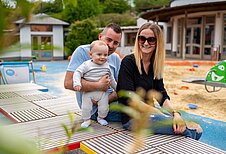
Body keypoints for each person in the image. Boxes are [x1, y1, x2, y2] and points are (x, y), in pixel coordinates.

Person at [116, 23, 202, 140]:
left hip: (151, 114)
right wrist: (160, 114)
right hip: (133, 118)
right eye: (142, 38)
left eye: (151, 40)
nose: (146, 43)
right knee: (186, 131)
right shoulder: (128, 62)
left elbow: (162, 95)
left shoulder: (155, 65)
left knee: (197, 129)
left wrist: (175, 114)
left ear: (158, 43)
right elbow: (130, 99)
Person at [64, 23, 122, 123]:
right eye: (108, 40)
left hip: (110, 101)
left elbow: (120, 85)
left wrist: (109, 98)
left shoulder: (115, 58)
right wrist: (98, 85)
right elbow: (68, 83)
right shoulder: (82, 51)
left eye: (116, 43)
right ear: (100, 37)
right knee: (134, 113)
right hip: (93, 109)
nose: (111, 45)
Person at [73, 40, 117, 128]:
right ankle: (86, 120)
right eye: (99, 54)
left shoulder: (107, 66)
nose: (102, 57)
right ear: (90, 55)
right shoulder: (86, 65)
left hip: (102, 93)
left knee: (104, 107)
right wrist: (77, 83)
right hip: (89, 93)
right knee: (86, 107)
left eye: (105, 55)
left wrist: (116, 88)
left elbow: (111, 79)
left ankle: (101, 118)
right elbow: (77, 72)